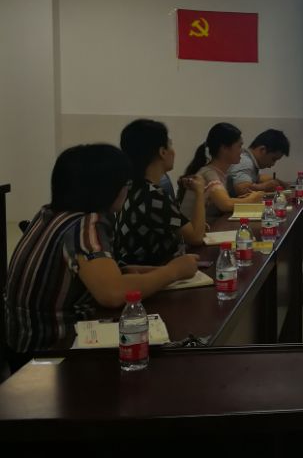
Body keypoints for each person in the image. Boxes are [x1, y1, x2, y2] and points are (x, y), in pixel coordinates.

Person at [3, 145, 197, 371]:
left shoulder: (50, 214)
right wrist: (173, 271)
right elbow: (112, 294)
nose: (127, 190)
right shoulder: (85, 225)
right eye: (125, 184)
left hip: (19, 346)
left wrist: (127, 273)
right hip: (50, 355)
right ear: (106, 189)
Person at [115, 119, 207, 266]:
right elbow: (196, 237)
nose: (173, 151)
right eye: (170, 144)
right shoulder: (153, 195)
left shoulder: (130, 186)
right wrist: (200, 192)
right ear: (162, 152)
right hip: (153, 273)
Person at [181, 123, 263, 218]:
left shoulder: (219, 172)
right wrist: (253, 199)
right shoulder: (209, 173)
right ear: (224, 148)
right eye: (239, 146)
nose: (241, 151)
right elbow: (226, 204)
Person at [228, 128, 292, 196]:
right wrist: (264, 187)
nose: (273, 164)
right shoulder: (245, 162)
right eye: (273, 159)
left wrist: (279, 182)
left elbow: (260, 178)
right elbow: (242, 189)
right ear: (262, 150)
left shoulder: (251, 162)